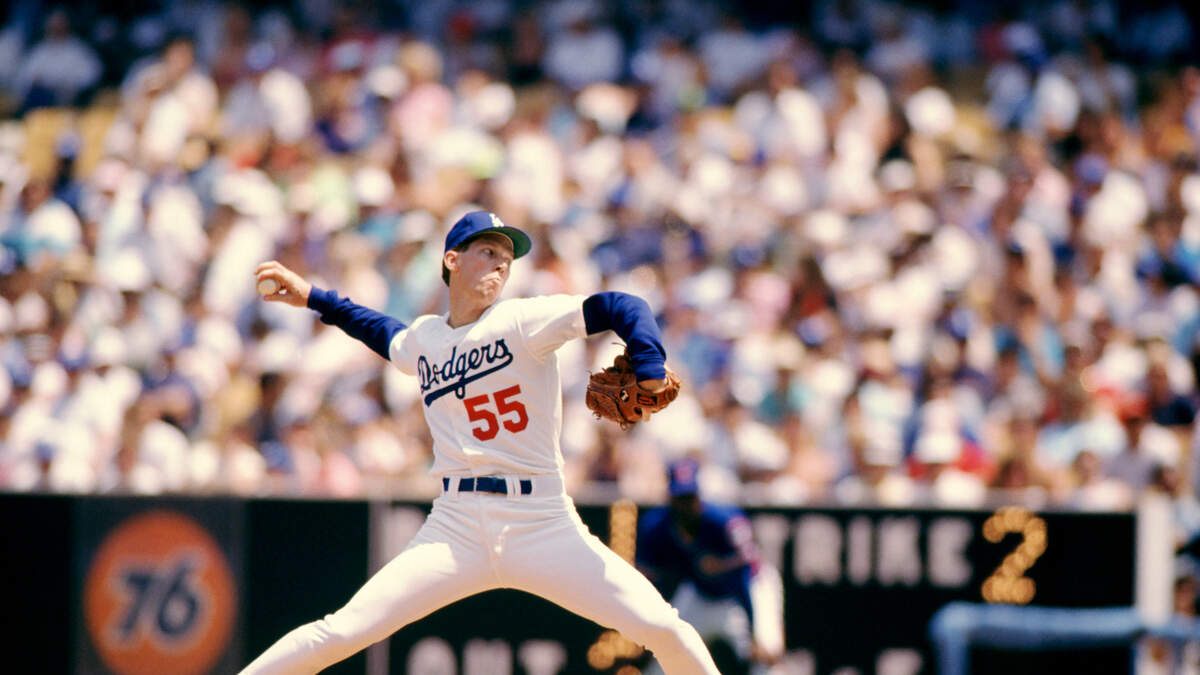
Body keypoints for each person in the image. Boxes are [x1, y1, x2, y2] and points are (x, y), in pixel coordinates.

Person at [241, 211, 720, 674]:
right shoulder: (426, 338)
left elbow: (624, 306)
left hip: (542, 521)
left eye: (506, 260)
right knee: (342, 631)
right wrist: (313, 297)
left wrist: (650, 364)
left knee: (663, 626)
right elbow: (379, 330)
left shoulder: (523, 320)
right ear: (452, 259)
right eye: (488, 252)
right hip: (456, 526)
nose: (500, 266)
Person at [636, 457, 786, 674]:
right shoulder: (657, 526)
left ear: (699, 495)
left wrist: (754, 633)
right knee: (663, 658)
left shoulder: (724, 522)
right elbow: (648, 576)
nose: (686, 505)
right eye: (680, 498)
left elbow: (743, 576)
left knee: (767, 657)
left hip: (748, 590)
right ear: (670, 497)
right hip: (700, 593)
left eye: (690, 497)